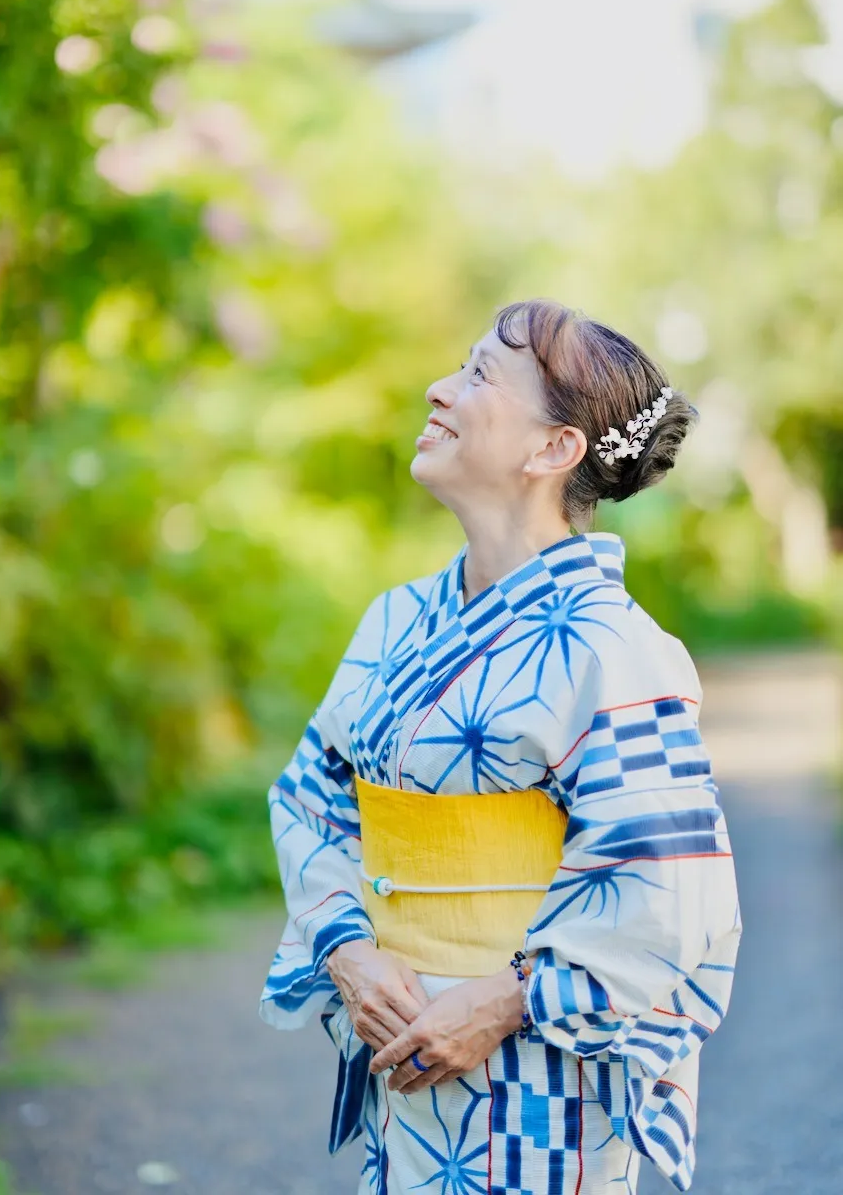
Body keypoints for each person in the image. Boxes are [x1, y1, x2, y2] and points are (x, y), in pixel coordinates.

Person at [259, 298, 742, 1195]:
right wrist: (348, 950)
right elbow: (311, 798)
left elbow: (667, 885)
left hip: (541, 1064)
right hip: (396, 1035)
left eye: (480, 376)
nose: (441, 389)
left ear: (554, 449)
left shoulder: (614, 649)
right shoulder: (395, 619)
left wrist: (506, 1000)